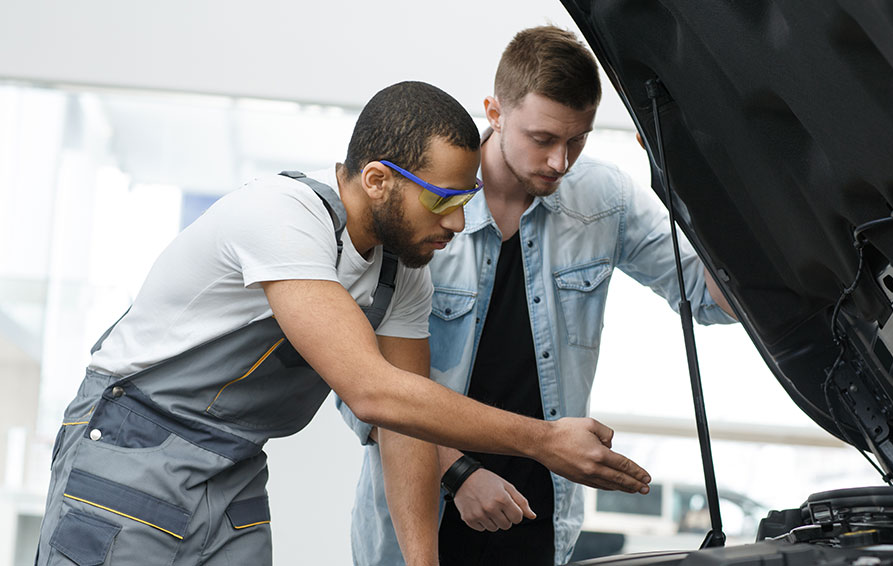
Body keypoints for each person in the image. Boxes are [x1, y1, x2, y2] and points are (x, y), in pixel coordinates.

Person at [34, 80, 651, 566]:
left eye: (465, 202)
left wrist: (422, 563)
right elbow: (370, 389)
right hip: (135, 445)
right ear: (379, 179)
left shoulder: (402, 270)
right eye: (445, 200)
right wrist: (542, 440)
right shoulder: (283, 217)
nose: (459, 224)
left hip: (232, 467)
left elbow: (402, 420)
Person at [339, 28, 737, 565]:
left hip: (539, 514)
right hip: (423, 510)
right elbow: (360, 386)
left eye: (577, 140)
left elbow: (712, 297)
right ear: (495, 111)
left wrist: (696, 183)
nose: (559, 162)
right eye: (543, 138)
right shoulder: (415, 205)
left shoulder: (605, 201)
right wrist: (459, 473)